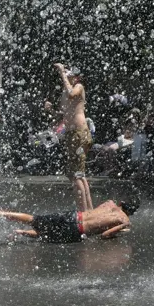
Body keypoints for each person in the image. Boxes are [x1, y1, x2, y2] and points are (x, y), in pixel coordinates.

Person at [0, 199, 139, 243]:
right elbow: (105, 235)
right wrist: (122, 228)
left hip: (74, 216)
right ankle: (21, 232)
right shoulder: (123, 220)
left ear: (121, 203)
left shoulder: (110, 203)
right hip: (78, 230)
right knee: (45, 235)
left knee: (34, 219)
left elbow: (95, 213)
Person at [54, 63, 93, 211]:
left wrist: (62, 73)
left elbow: (71, 94)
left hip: (79, 133)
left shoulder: (79, 87)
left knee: (76, 174)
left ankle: (84, 213)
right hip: (72, 134)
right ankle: (88, 211)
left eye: (69, 73)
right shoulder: (66, 91)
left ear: (76, 77)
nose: (66, 74)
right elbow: (66, 113)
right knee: (78, 175)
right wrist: (51, 110)